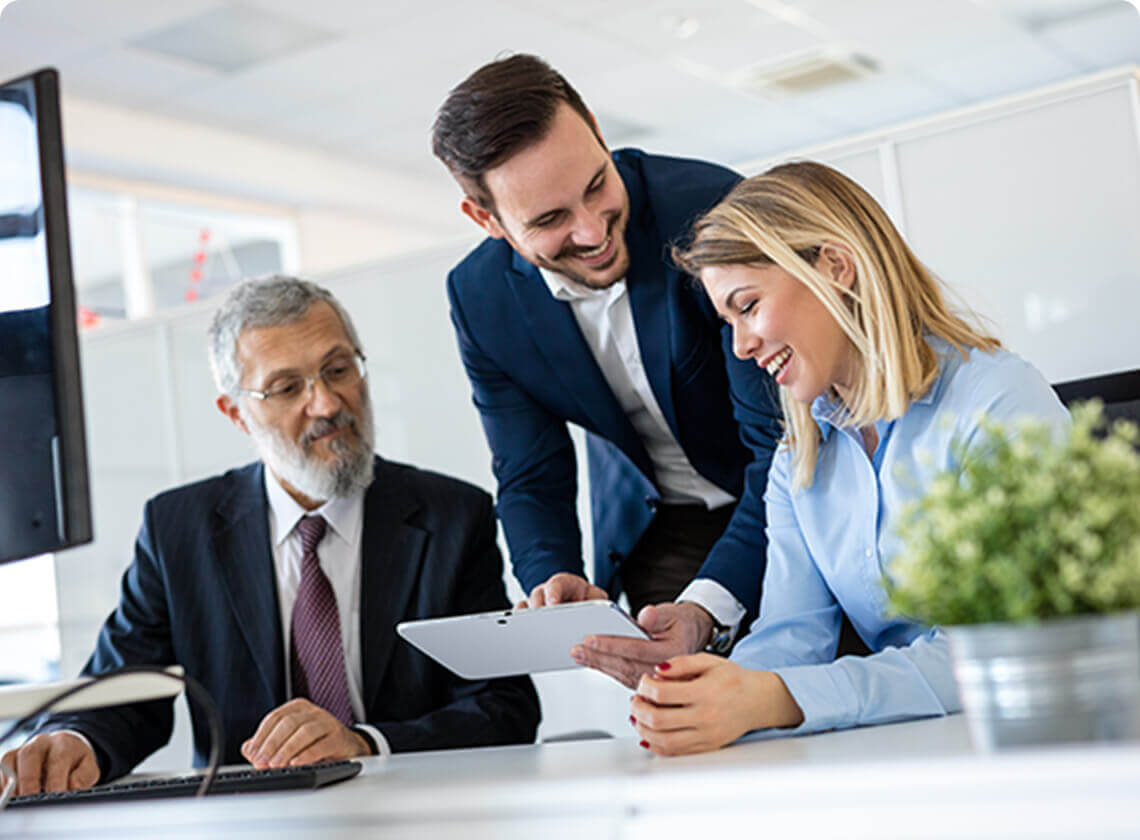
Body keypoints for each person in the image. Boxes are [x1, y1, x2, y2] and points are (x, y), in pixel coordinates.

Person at [1, 276, 540, 795]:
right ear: (236, 413)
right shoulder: (178, 529)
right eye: (287, 388)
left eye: (338, 370)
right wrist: (71, 743)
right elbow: (121, 691)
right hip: (247, 819)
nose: (327, 404)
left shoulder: (452, 516)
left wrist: (365, 743)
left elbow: (503, 706)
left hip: (417, 813)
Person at [630, 161, 1069, 755]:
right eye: (728, 322)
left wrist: (775, 698)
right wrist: (697, 693)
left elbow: (997, 650)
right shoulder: (799, 460)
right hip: (917, 748)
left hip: (1038, 743)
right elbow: (790, 637)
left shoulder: (997, 402)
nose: (741, 345)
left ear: (836, 267)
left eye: (748, 306)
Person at [432, 55, 783, 687]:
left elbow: (780, 448)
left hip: (784, 501)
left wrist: (711, 605)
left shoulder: (712, 210)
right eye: (549, 220)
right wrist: (552, 581)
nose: (592, 231)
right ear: (487, 220)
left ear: (595, 129)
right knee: (680, 720)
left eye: (596, 185)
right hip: (660, 532)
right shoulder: (480, 297)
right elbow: (530, 473)